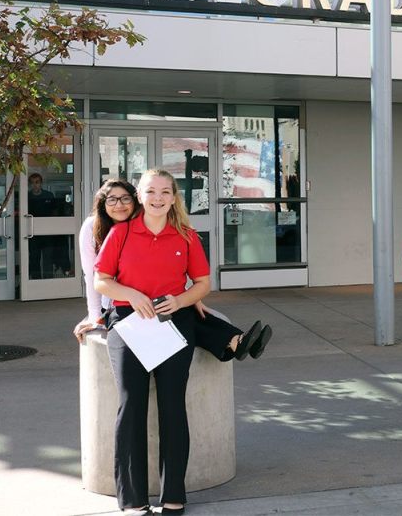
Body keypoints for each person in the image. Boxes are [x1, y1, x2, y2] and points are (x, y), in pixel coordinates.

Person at [95, 169, 212, 515]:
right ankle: (133, 499)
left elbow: (203, 284)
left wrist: (180, 300)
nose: (158, 198)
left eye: (165, 192)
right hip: (129, 324)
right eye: (150, 191)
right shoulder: (121, 232)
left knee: (173, 406)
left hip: (172, 324)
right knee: (131, 405)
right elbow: (102, 280)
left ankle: (174, 493)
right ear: (140, 197)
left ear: (174, 198)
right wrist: (131, 294)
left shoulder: (186, 236)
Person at [73, 179, 272, 361]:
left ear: (136, 200)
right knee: (179, 317)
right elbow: (92, 275)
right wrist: (95, 316)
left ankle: (238, 341)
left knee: (184, 310)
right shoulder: (92, 227)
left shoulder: (146, 222)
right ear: (103, 203)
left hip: (153, 294)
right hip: (119, 301)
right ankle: (235, 340)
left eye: (125, 198)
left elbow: (164, 265)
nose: (119, 205)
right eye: (112, 199)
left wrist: (193, 297)